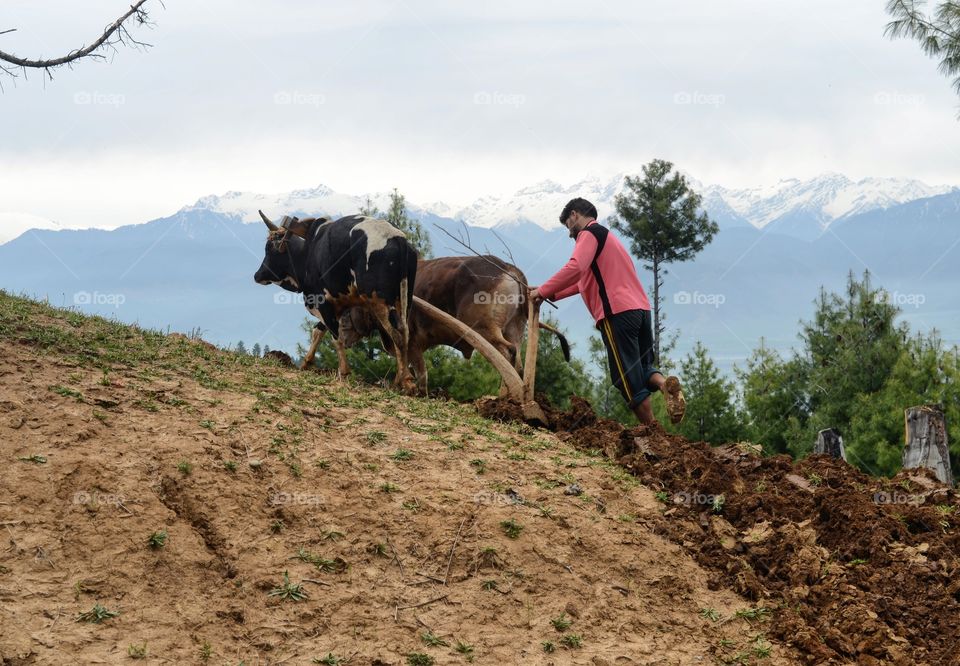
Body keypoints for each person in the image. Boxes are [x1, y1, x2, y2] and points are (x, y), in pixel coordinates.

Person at [529, 197, 685, 426]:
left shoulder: (588, 234)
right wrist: (549, 292)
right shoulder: (609, 238)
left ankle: (653, 432)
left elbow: (576, 267)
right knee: (642, 368)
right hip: (641, 310)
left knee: (626, 378)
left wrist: (542, 291)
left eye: (568, 226)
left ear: (574, 215)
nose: (570, 233)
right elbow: (584, 280)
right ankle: (664, 385)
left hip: (617, 314)